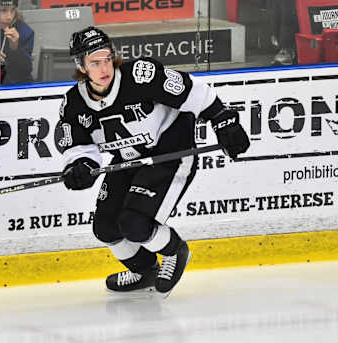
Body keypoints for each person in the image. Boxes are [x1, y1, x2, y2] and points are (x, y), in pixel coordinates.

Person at [59, 26, 250, 297]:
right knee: (106, 227)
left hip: (169, 155)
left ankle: (174, 251)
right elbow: (78, 146)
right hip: (129, 159)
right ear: (81, 66)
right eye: (94, 62)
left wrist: (223, 120)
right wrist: (79, 165)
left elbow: (194, 91)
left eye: (107, 59)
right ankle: (144, 270)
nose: (104, 68)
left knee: (134, 223)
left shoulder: (140, 76)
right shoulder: (74, 104)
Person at [271, 0, 299, 65]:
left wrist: (275, 33)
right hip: (288, 30)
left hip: (289, 29)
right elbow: (276, 14)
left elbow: (276, 15)